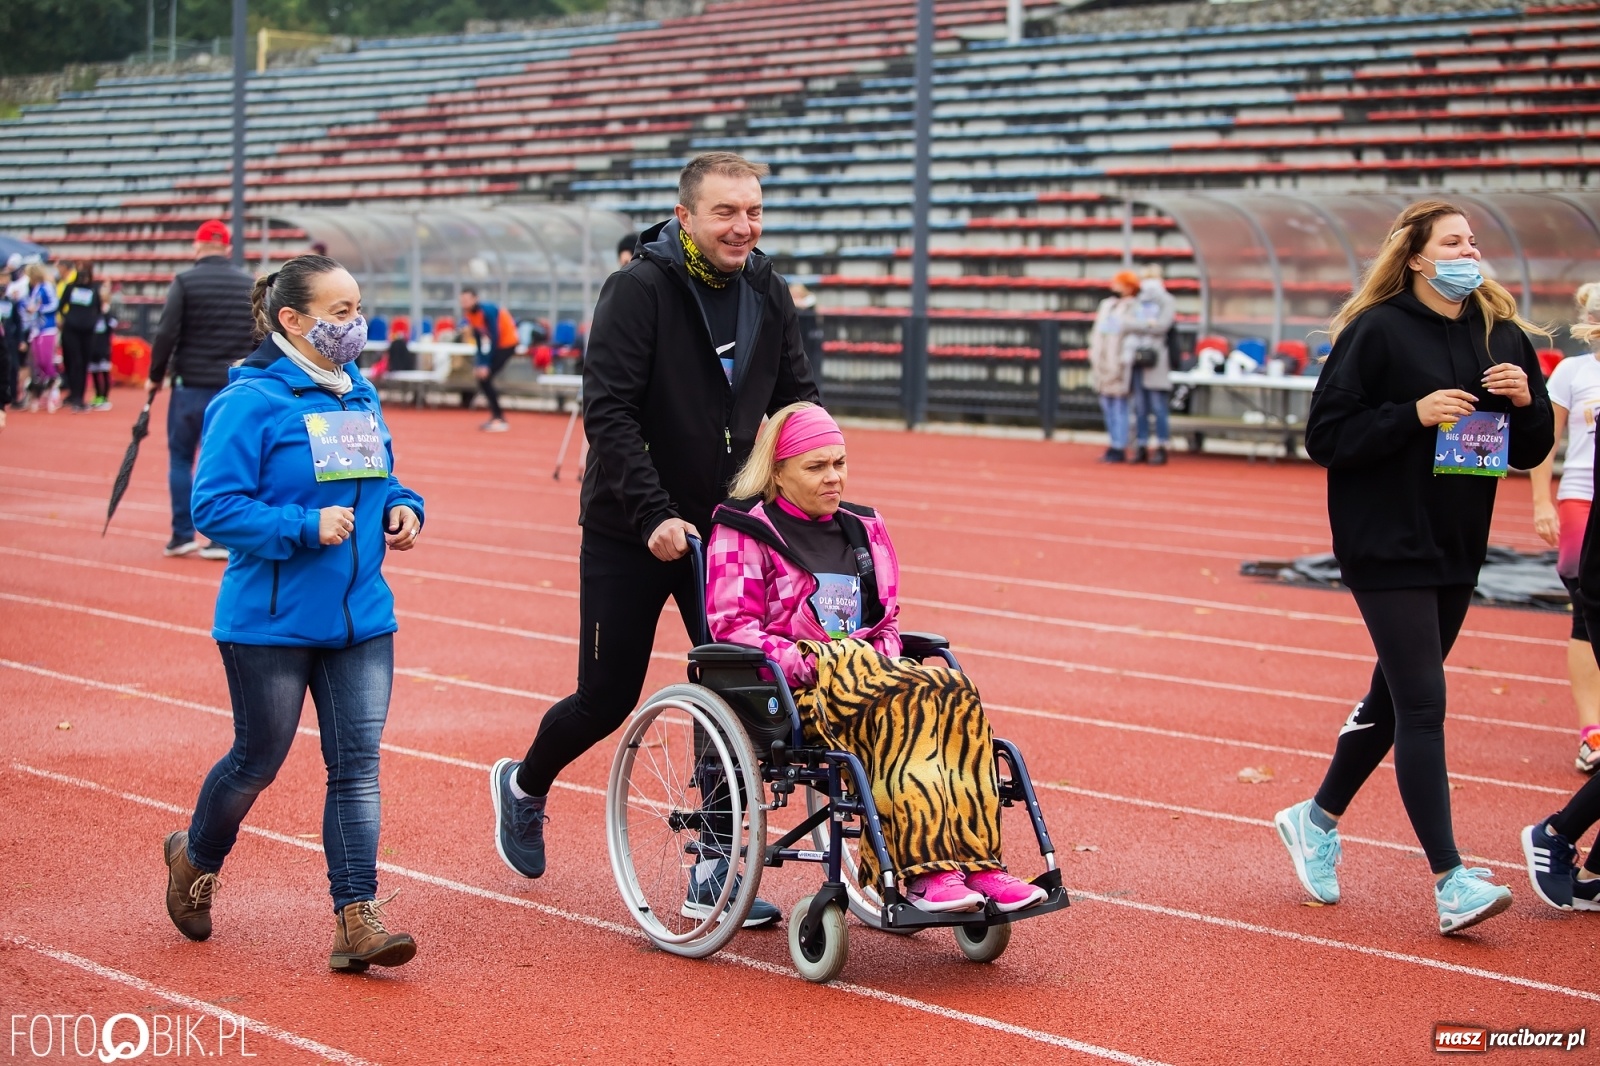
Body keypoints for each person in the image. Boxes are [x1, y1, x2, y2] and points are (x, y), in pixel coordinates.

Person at [489, 152, 818, 926]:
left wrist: (810, 481)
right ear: (687, 218)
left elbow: (797, 400)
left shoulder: (767, 289)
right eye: (726, 213)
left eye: (754, 211)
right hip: (629, 526)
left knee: (733, 691)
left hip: (731, 533)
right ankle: (525, 784)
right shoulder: (638, 288)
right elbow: (609, 412)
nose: (744, 226)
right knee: (606, 696)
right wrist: (653, 515)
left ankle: (712, 861)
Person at [1274, 199, 1553, 934]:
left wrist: (1528, 405)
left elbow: (1528, 450)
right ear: (1419, 257)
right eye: (1454, 242)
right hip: (1384, 540)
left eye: (1473, 241)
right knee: (1425, 705)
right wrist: (1413, 413)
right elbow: (1327, 436)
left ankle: (1315, 818)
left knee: (1397, 700)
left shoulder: (1503, 334)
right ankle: (1450, 879)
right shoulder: (1377, 330)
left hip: (1458, 542)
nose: (1470, 252)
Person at [163, 253, 425, 972]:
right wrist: (302, 528)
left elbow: (386, 480)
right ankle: (195, 857)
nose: (355, 324)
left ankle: (356, 918)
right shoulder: (249, 403)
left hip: (363, 620)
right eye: (339, 314)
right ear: (293, 321)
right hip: (269, 623)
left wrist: (404, 509)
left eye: (356, 308)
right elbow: (212, 506)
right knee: (257, 760)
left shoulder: (356, 393)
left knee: (357, 768)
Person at [706, 402, 1050, 913]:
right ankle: (923, 874)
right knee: (900, 705)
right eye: (816, 466)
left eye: (839, 463)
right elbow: (733, 628)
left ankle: (978, 863)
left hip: (870, 676)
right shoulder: (743, 531)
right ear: (777, 471)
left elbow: (887, 621)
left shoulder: (864, 529)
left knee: (955, 693)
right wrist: (815, 660)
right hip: (796, 689)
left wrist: (877, 657)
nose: (833, 478)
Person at [146, 220, 256, 559]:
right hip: (231, 389)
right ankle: (221, 539)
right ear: (227, 247)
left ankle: (181, 535)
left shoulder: (184, 282)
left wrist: (155, 375)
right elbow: (259, 335)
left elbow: (166, 332)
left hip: (189, 387)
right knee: (227, 461)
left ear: (196, 247)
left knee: (181, 459)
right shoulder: (247, 284)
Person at [1532, 282, 1600, 773]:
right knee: (1585, 613)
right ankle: (1592, 733)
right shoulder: (1574, 373)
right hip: (1582, 498)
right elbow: (1543, 442)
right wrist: (1542, 503)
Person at [1123, 272, 1177, 465]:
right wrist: (1147, 325)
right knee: (1140, 407)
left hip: (1156, 360)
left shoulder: (1166, 301)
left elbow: (1162, 326)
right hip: (1136, 357)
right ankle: (1142, 445)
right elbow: (1126, 324)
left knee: (1158, 406)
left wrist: (1140, 326)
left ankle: (1162, 446)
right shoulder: (1138, 300)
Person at [1090, 271, 1139, 463]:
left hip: (1119, 363)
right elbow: (1100, 333)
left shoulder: (1133, 307)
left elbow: (1141, 329)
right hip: (1102, 361)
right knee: (1107, 406)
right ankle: (1113, 441)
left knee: (1120, 407)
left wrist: (1121, 361)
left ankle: (1120, 445)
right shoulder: (1107, 306)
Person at [459, 287, 519, 432]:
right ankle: (497, 416)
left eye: (467, 299)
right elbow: (479, 339)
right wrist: (480, 363)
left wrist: (486, 364)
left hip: (507, 344)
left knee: (486, 378)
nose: (465, 303)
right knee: (483, 378)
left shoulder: (488, 311)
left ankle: (499, 418)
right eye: (462, 300)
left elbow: (494, 336)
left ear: (475, 299)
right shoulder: (470, 315)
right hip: (495, 345)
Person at [59, 263, 102, 412]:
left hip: (87, 332)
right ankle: (74, 394)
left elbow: (99, 309)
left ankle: (80, 397)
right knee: (73, 362)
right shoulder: (71, 288)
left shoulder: (94, 290)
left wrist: (92, 322)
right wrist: (68, 318)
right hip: (71, 331)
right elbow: (61, 305)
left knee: (83, 364)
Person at [22, 262, 61, 412]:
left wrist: (39, 309)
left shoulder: (46, 286)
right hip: (37, 328)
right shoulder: (35, 289)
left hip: (47, 327)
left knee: (46, 360)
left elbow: (54, 304)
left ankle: (53, 386)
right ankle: (43, 391)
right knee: (38, 363)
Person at [88, 284, 116, 410]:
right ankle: (97, 395)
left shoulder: (109, 311)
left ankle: (105, 397)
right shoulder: (93, 310)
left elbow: (112, 325)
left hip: (103, 346)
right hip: (93, 345)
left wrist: (105, 314)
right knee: (94, 371)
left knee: (104, 371)